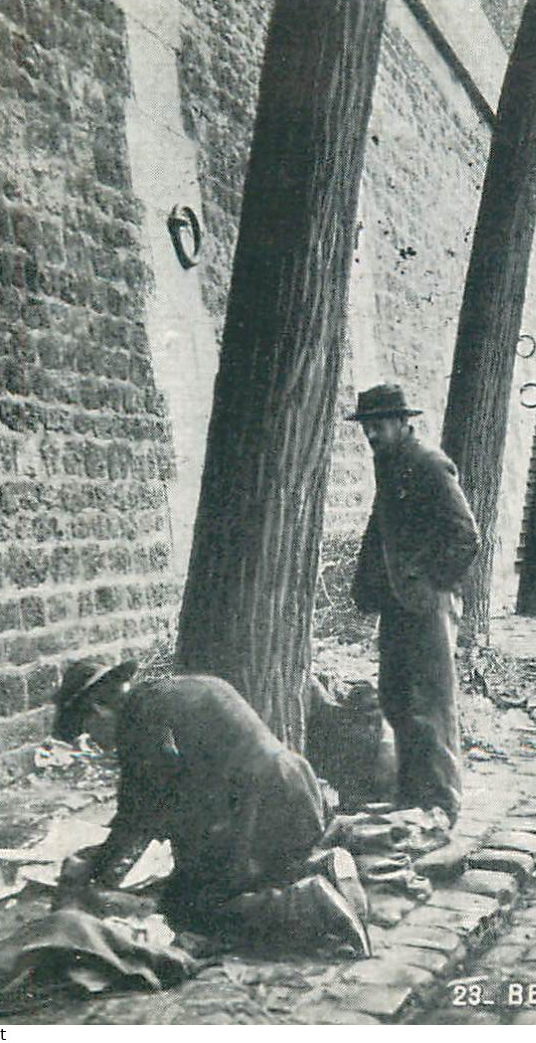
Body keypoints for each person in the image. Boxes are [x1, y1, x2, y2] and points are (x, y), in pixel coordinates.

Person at [52, 661, 371, 957]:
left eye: (87, 732)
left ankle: (310, 903)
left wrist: (93, 872)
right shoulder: (176, 689)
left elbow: (137, 815)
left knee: (191, 913)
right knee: (230, 883)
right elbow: (172, 800)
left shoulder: (139, 718)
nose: (94, 742)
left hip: (259, 807)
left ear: (97, 711)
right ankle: (320, 867)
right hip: (294, 791)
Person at [349, 383, 479, 825]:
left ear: (404, 423)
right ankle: (411, 797)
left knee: (432, 703)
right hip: (398, 605)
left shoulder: (429, 464)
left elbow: (465, 537)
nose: (371, 435)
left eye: (379, 425)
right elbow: (380, 531)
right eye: (367, 427)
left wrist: (429, 584)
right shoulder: (389, 464)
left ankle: (443, 802)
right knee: (398, 698)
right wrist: (366, 585)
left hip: (427, 605)